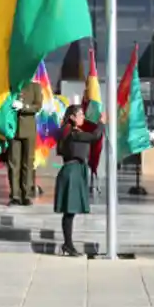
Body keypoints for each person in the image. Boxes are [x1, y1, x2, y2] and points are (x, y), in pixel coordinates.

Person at [53, 101, 103, 257]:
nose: (83, 117)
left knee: (70, 211)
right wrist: (102, 123)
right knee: (69, 210)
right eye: (80, 114)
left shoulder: (72, 132)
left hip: (75, 170)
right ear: (73, 117)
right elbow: (95, 136)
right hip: (72, 171)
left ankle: (68, 244)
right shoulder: (73, 133)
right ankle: (68, 244)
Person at [7, 82, 42, 206]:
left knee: (28, 162)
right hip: (13, 129)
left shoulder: (35, 87)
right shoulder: (12, 85)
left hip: (28, 130)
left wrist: (24, 106)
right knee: (14, 163)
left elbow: (38, 106)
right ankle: (15, 195)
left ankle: (26, 194)